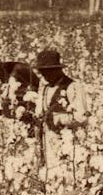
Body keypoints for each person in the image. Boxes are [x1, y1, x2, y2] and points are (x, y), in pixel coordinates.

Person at [31, 49, 89, 184]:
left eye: (48, 71)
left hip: (67, 144)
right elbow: (40, 113)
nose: (45, 75)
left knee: (67, 179)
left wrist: (61, 119)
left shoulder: (73, 87)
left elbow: (83, 118)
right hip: (47, 143)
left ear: (57, 69)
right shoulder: (45, 88)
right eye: (42, 71)